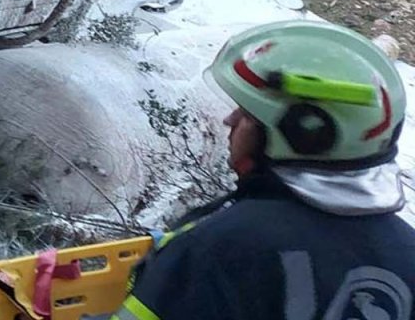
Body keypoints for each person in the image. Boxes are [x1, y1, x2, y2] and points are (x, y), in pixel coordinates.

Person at [115, 20, 414, 320]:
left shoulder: (221, 247)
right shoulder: (407, 252)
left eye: (247, 114)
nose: (230, 120)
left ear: (305, 132)